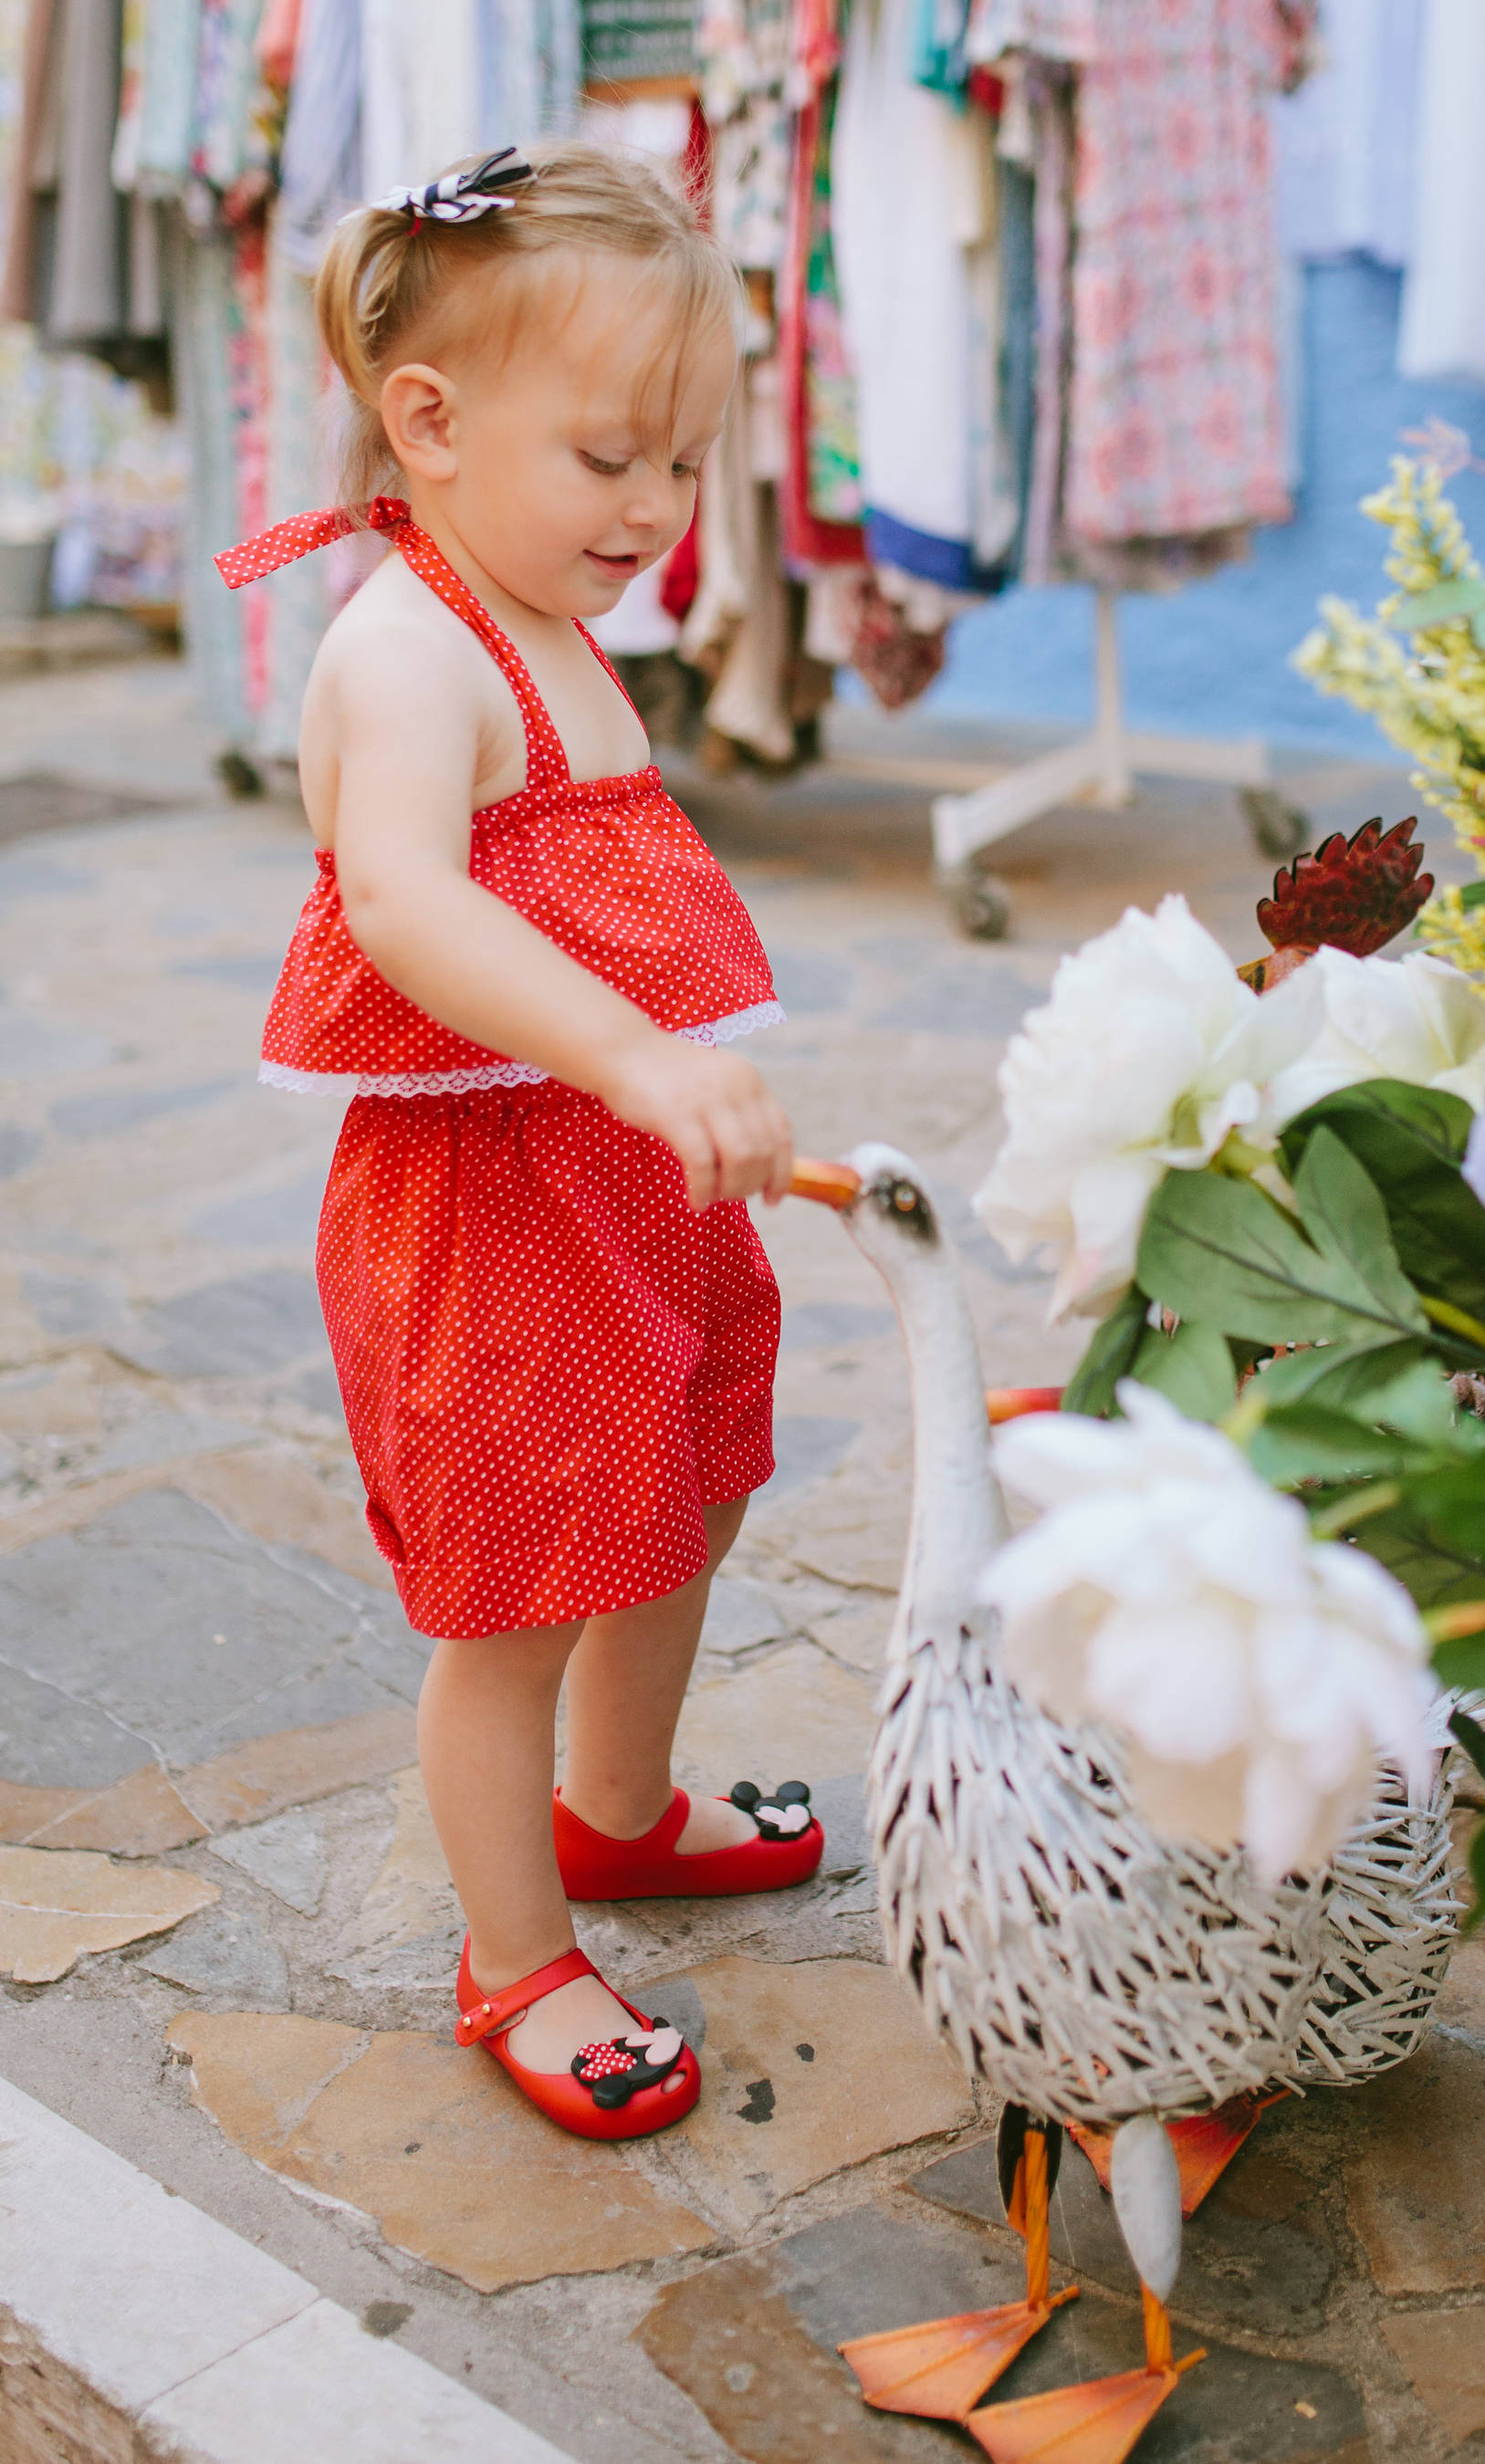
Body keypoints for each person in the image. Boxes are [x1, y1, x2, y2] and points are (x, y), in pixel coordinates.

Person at [216, 142, 824, 2142]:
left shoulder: (552, 619)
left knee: (684, 1499)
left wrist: (665, 1093)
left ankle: (623, 1807)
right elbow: (408, 904)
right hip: (489, 1218)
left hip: (624, 1196)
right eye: (612, 461)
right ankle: (515, 1954)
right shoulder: (402, 651)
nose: (656, 514)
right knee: (518, 1602)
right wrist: (647, 1061)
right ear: (432, 424)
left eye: (683, 466)